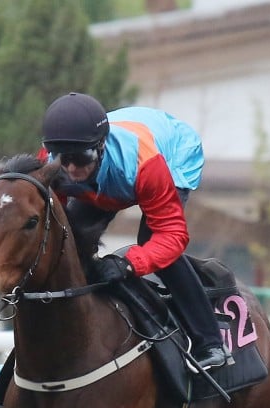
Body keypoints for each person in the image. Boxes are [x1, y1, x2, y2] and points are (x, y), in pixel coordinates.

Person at [40, 91, 229, 372]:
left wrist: (128, 264)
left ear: (100, 146)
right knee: (72, 238)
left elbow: (172, 236)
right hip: (117, 169)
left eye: (80, 158)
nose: (71, 169)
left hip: (171, 154)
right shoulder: (50, 162)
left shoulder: (147, 166)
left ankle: (210, 343)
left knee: (152, 243)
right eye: (62, 158)